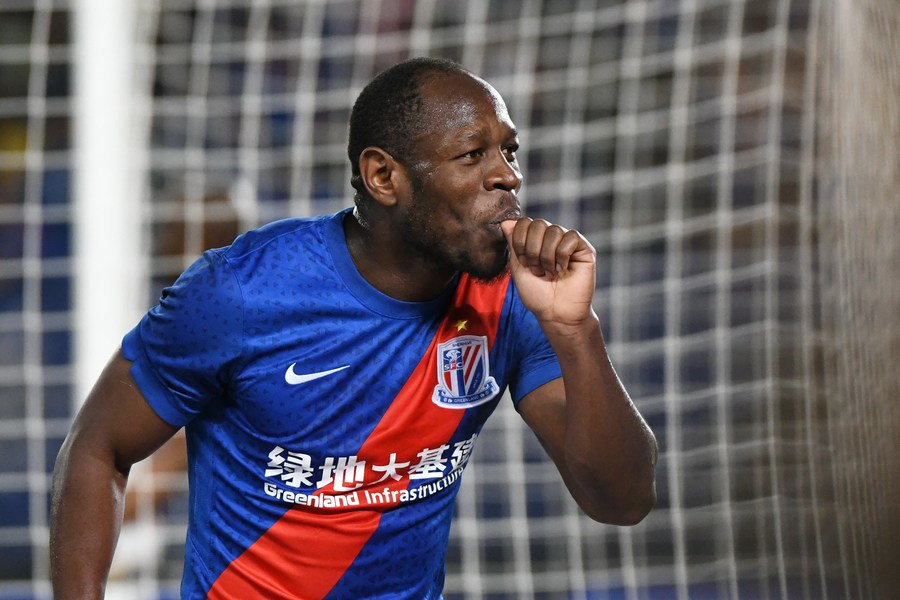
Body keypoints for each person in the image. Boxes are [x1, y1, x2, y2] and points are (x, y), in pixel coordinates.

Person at [50, 57, 658, 599]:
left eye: (509, 151)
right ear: (383, 177)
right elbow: (98, 446)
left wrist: (574, 329)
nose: (508, 177)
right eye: (473, 155)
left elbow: (622, 501)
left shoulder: (511, 298)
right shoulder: (242, 291)